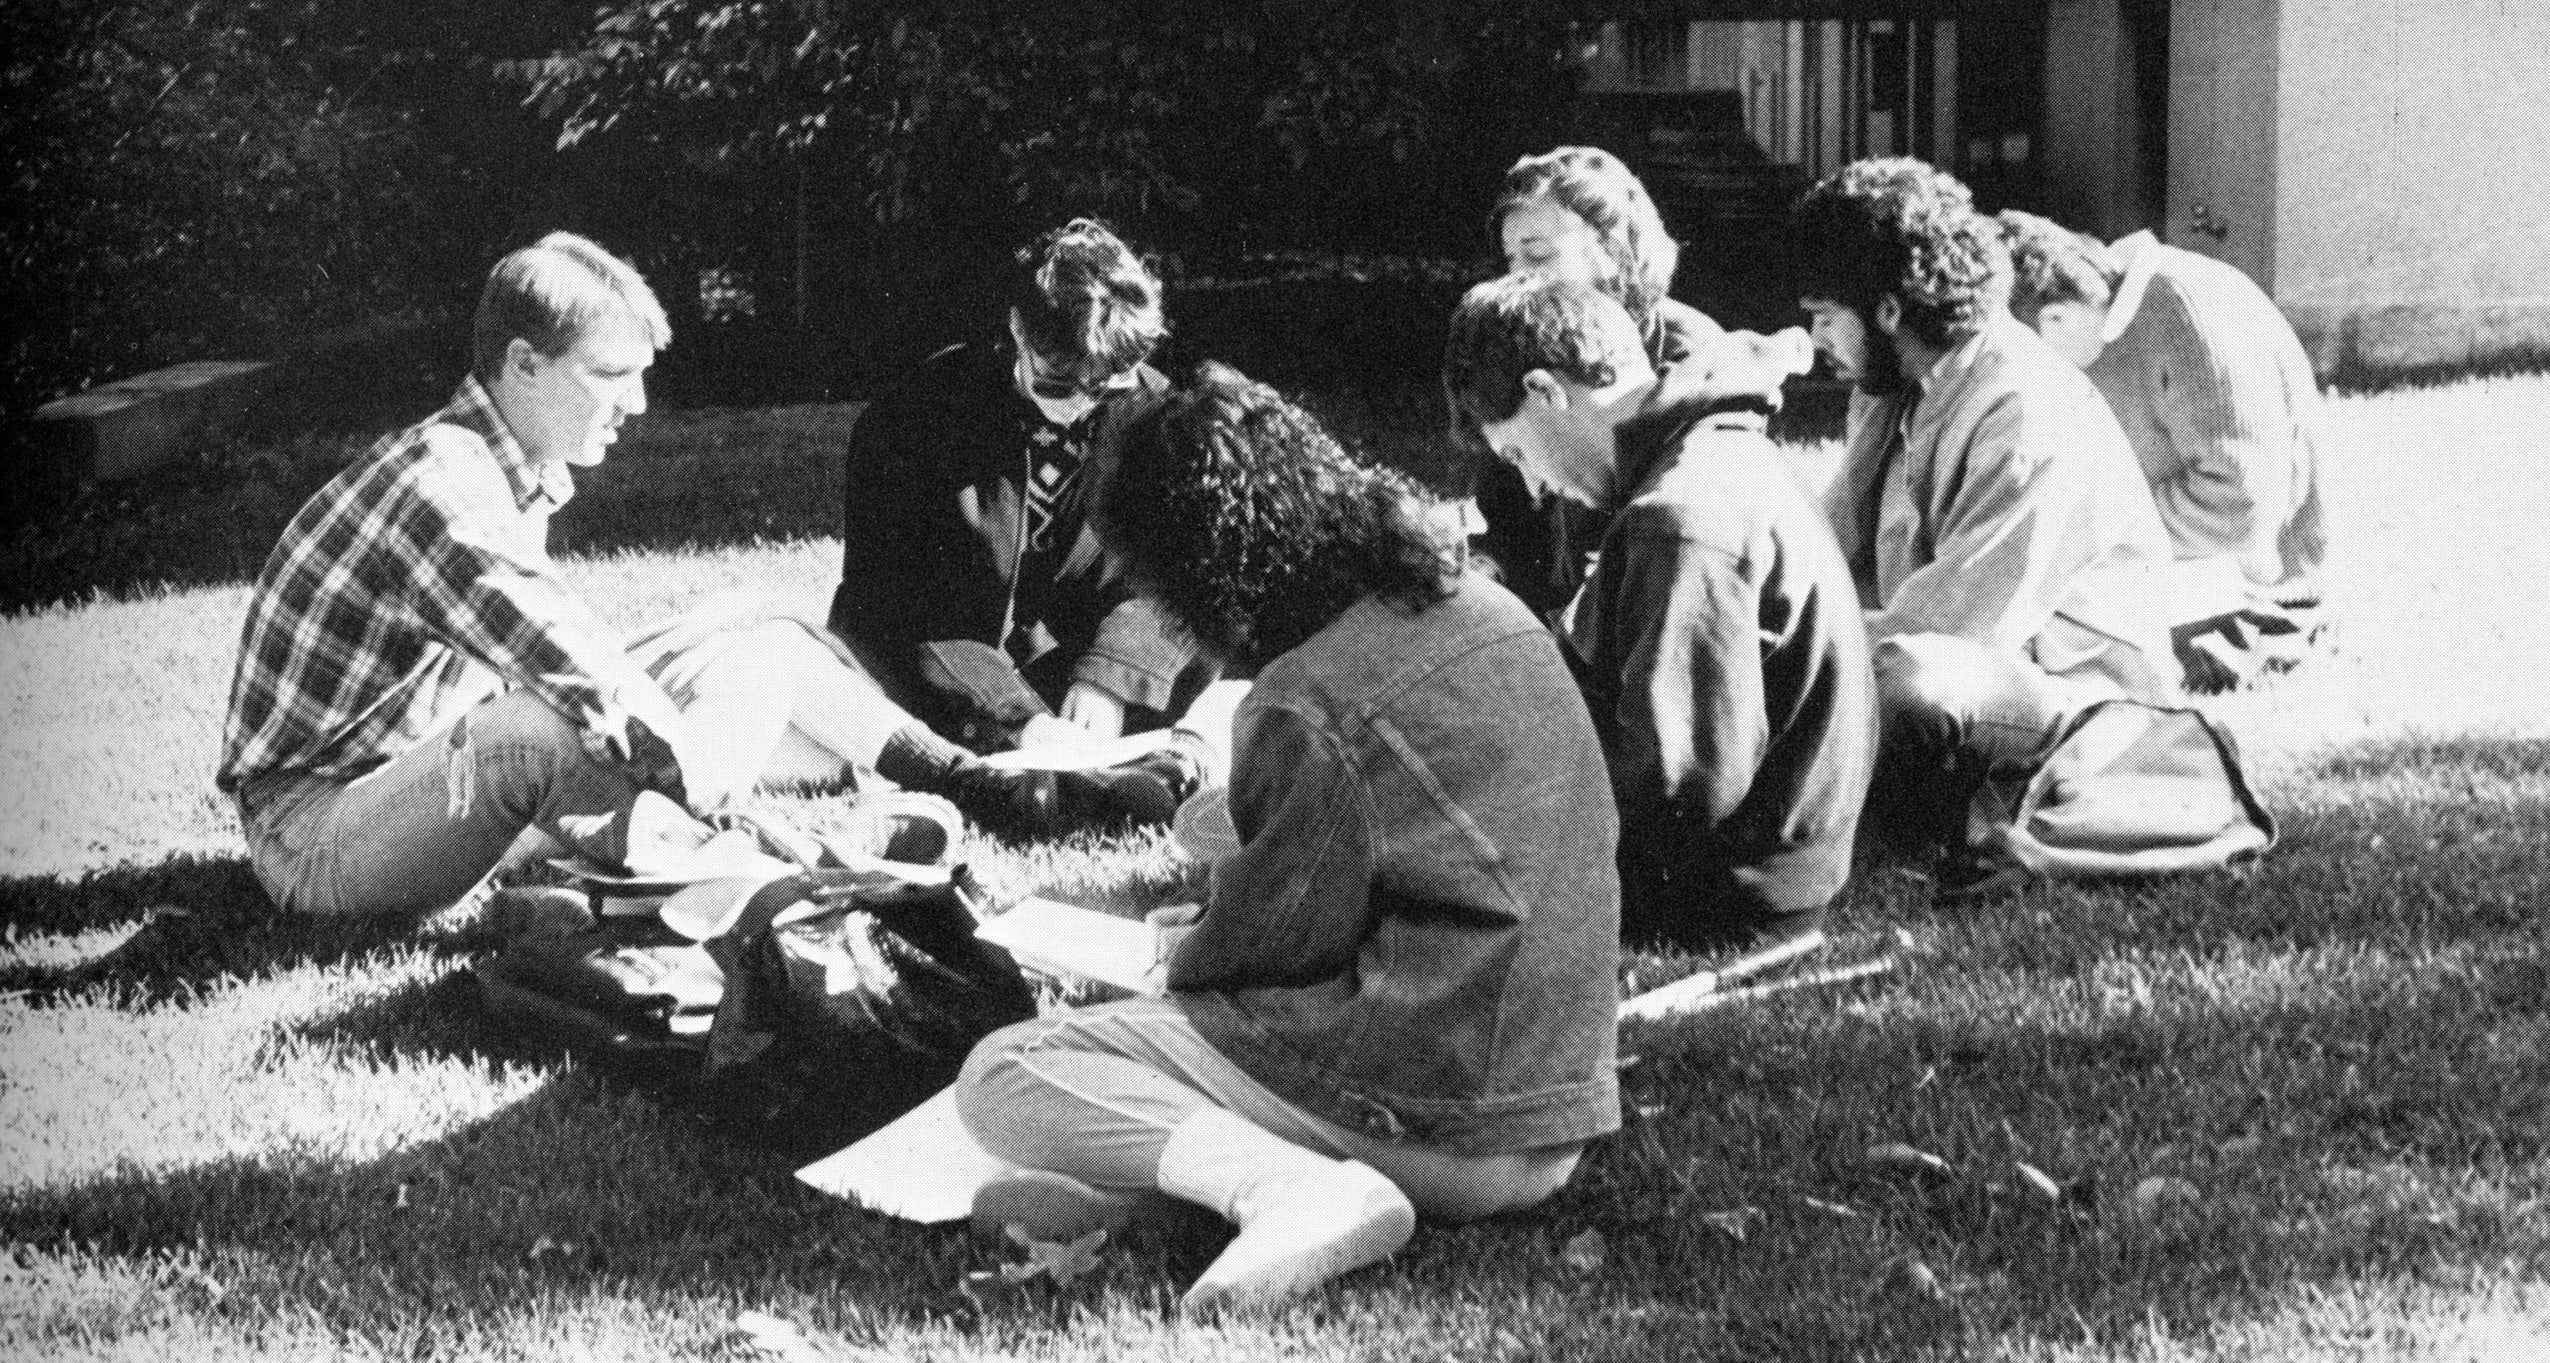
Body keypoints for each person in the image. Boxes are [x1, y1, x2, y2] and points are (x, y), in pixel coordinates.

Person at [954, 366, 1622, 1314]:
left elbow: (1261, 956)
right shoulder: (1485, 608)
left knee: (1008, 1072)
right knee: (1163, 1067)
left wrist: (1180, 948)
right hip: (1551, 1108)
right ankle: (1180, 1197)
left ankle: (1289, 1188)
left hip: (1443, 1120)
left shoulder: (1305, 696)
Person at [212, 232, 950, 931]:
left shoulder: (505, 468)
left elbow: (575, 656)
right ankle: (741, 862)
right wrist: (686, 765)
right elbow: (569, 665)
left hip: (433, 777)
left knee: (755, 642)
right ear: (524, 363)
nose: (637, 405)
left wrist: (727, 665)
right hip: (316, 832)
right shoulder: (445, 482)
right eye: (610, 376)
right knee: (545, 728)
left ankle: (961, 773)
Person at [1442, 275, 1876, 953]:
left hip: (1725, 895)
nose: (1533, 484)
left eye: (1519, 453)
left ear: (1545, 392)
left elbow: (1676, 783)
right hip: (1754, 865)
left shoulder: (1679, 513)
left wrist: (1506, 820)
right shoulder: (1714, 450)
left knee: (1416, 864)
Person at [1790, 159, 2177, 855]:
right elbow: (1824, 549)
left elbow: (1959, 628)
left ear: (1888, 310)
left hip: (2077, 700)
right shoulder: (1890, 387)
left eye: (1824, 317)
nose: (1815, 342)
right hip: (1957, 656)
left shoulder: (2024, 407)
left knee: (1909, 681)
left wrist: (1791, 642)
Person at [819, 218, 1218, 836]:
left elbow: (1175, 573)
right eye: (1057, 382)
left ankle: (1145, 769)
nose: (1078, 407)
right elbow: (890, 602)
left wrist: (1111, 678)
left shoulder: (1160, 417)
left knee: (1225, 646)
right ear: (1016, 328)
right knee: (872, 673)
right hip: (948, 663)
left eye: (1106, 391)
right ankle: (1051, 778)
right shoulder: (911, 419)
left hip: (1095, 667)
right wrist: (1019, 720)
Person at [1997, 209, 2330, 691]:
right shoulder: (2109, 316)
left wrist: (2087, 546)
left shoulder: (2185, 311)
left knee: (2024, 637)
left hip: (2259, 602)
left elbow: (2241, 507)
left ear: (2056, 318)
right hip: (2180, 580)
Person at [1476, 147, 1727, 617]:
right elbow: (1507, 523)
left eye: (1538, 256)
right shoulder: (1527, 357)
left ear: (1613, 253)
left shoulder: (1689, 361)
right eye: (1512, 262)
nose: (1519, 281)